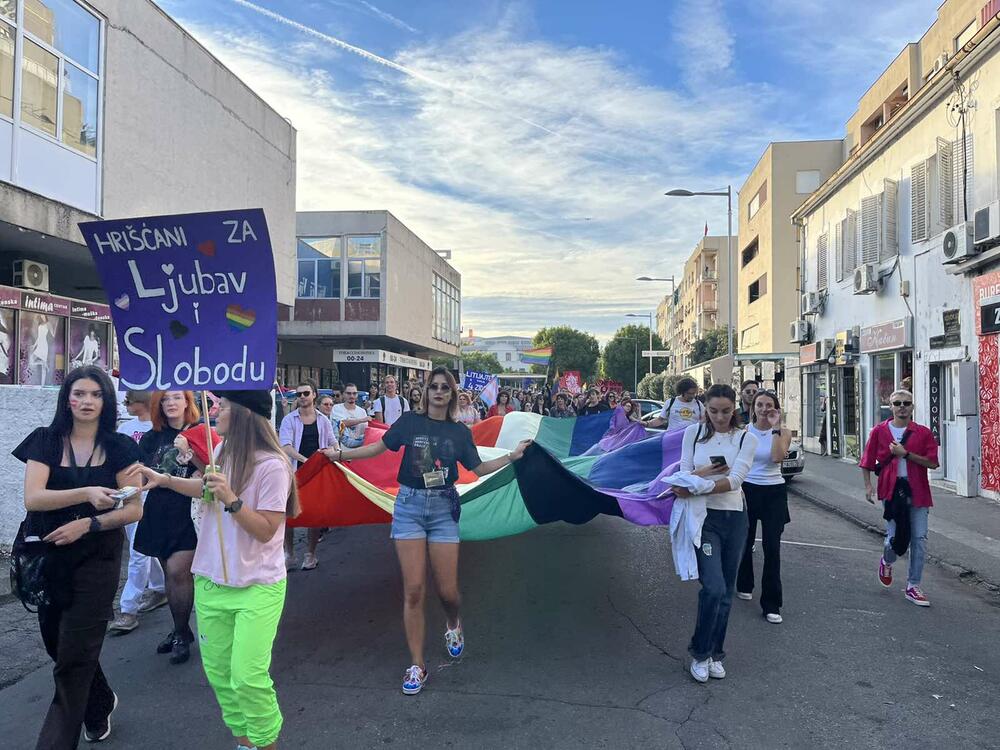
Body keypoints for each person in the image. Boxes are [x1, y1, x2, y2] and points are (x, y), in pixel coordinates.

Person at [337, 367, 530, 695]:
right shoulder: (410, 423)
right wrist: (341, 455)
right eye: (434, 386)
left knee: (447, 592)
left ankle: (453, 622)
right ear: (426, 392)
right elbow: (378, 447)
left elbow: (478, 467)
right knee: (413, 590)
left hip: (443, 509)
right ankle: (417, 664)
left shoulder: (459, 432)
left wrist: (512, 457)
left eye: (445, 387)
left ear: (452, 394)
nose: (438, 391)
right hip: (409, 507)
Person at [133, 390, 298, 750]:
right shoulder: (222, 450)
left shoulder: (273, 464)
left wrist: (231, 499)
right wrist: (166, 480)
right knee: (221, 676)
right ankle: (245, 743)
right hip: (211, 581)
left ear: (243, 413)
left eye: (221, 406)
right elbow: (206, 489)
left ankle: (265, 743)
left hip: (258, 586)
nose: (214, 411)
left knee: (248, 678)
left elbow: (266, 529)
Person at [13, 365, 144, 746]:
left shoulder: (121, 448)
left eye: (96, 394)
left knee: (73, 659)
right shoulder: (46, 441)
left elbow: (133, 510)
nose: (87, 401)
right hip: (48, 554)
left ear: (106, 401)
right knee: (58, 644)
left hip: (98, 557)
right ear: (67, 399)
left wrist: (88, 524)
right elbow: (34, 497)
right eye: (79, 393)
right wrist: (86, 493)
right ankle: (99, 701)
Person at [669, 384, 757, 684]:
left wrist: (696, 486)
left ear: (735, 409)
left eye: (726, 411)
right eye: (714, 411)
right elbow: (682, 476)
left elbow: (735, 481)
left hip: (735, 519)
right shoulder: (692, 434)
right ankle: (700, 652)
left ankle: (715, 654)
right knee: (714, 588)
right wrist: (705, 473)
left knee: (726, 591)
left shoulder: (745, 438)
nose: (720, 417)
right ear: (705, 408)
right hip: (703, 519)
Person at [132, 391, 205, 665]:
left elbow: (213, 470)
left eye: (176, 397)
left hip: (188, 511)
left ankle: (181, 634)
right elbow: (140, 473)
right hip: (159, 511)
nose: (171, 403)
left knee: (178, 573)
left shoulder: (200, 431)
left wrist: (188, 451)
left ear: (187, 401)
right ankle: (180, 629)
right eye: (165, 399)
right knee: (169, 576)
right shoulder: (152, 437)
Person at [860, 389, 939, 606]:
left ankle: (913, 586)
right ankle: (887, 561)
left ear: (912, 406)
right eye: (897, 403)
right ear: (891, 407)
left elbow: (933, 463)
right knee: (894, 538)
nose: (902, 407)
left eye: (906, 403)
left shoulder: (922, 433)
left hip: (918, 490)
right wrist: (868, 486)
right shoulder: (879, 431)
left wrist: (906, 454)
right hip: (891, 490)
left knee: (919, 538)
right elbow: (867, 460)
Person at [109, 391, 167, 634]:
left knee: (138, 552)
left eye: (129, 402)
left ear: (142, 403)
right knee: (140, 547)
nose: (125, 406)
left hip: (153, 496)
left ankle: (128, 609)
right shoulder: (125, 429)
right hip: (130, 495)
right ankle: (160, 587)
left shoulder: (160, 429)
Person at [735, 390, 792, 624]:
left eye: (769, 405)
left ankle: (771, 603)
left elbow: (777, 457)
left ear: (776, 408)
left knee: (772, 547)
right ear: (753, 408)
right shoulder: (743, 432)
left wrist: (775, 427)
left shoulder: (783, 432)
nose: (764, 409)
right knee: (745, 541)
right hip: (748, 490)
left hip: (774, 492)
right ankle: (744, 583)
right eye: (760, 404)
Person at [279, 379, 339, 571]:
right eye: (299, 394)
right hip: (294, 472)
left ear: (314, 395)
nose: (302, 397)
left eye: (306, 393)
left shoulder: (323, 420)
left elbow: (333, 442)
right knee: (289, 514)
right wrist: (306, 460)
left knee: (314, 514)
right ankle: (289, 554)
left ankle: (310, 555)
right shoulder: (289, 420)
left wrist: (336, 452)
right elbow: (285, 446)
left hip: (317, 473)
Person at [331, 383, 370, 448]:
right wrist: (361, 420)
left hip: (360, 450)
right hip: (342, 450)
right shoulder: (336, 408)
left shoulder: (362, 411)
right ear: (343, 394)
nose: (352, 396)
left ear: (357, 395)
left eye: (354, 393)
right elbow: (341, 423)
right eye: (348, 393)